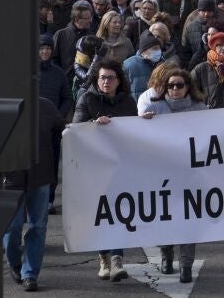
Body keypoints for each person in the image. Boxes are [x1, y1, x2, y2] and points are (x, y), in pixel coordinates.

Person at [71, 59, 138, 281]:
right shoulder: (87, 99)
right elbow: (76, 130)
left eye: (110, 78)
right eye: (102, 78)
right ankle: (103, 258)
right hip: (95, 168)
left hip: (121, 166)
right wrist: (93, 123)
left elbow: (136, 132)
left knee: (119, 211)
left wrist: (146, 121)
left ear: (118, 81)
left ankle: (117, 259)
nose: (106, 81)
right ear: (96, 80)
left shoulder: (128, 102)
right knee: (101, 213)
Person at [139, 67, 207, 282]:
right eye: (170, 85)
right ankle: (166, 255)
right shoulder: (154, 107)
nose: (175, 89)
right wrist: (144, 122)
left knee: (189, 219)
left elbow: (213, 133)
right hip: (163, 175)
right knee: (165, 217)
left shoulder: (200, 108)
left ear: (188, 87)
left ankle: (186, 265)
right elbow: (141, 138)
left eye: (179, 85)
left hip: (191, 174)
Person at [2, 94, 63, 292]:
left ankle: (30, 273)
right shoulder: (4, 106)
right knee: (12, 227)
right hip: (10, 177)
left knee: (38, 226)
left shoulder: (46, 106)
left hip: (40, 176)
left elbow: (63, 133)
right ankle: (14, 263)